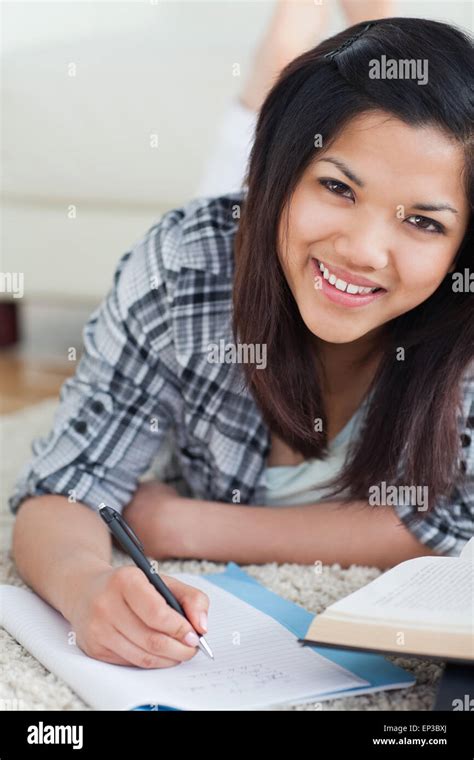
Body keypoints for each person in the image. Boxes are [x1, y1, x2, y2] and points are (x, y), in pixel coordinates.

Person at [9, 16, 473, 671]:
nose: (365, 251)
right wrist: (86, 590)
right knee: (279, 86)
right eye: (337, 187)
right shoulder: (184, 266)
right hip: (250, 256)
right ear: (282, 175)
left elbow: (451, 524)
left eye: (423, 221)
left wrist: (185, 527)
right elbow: (65, 484)